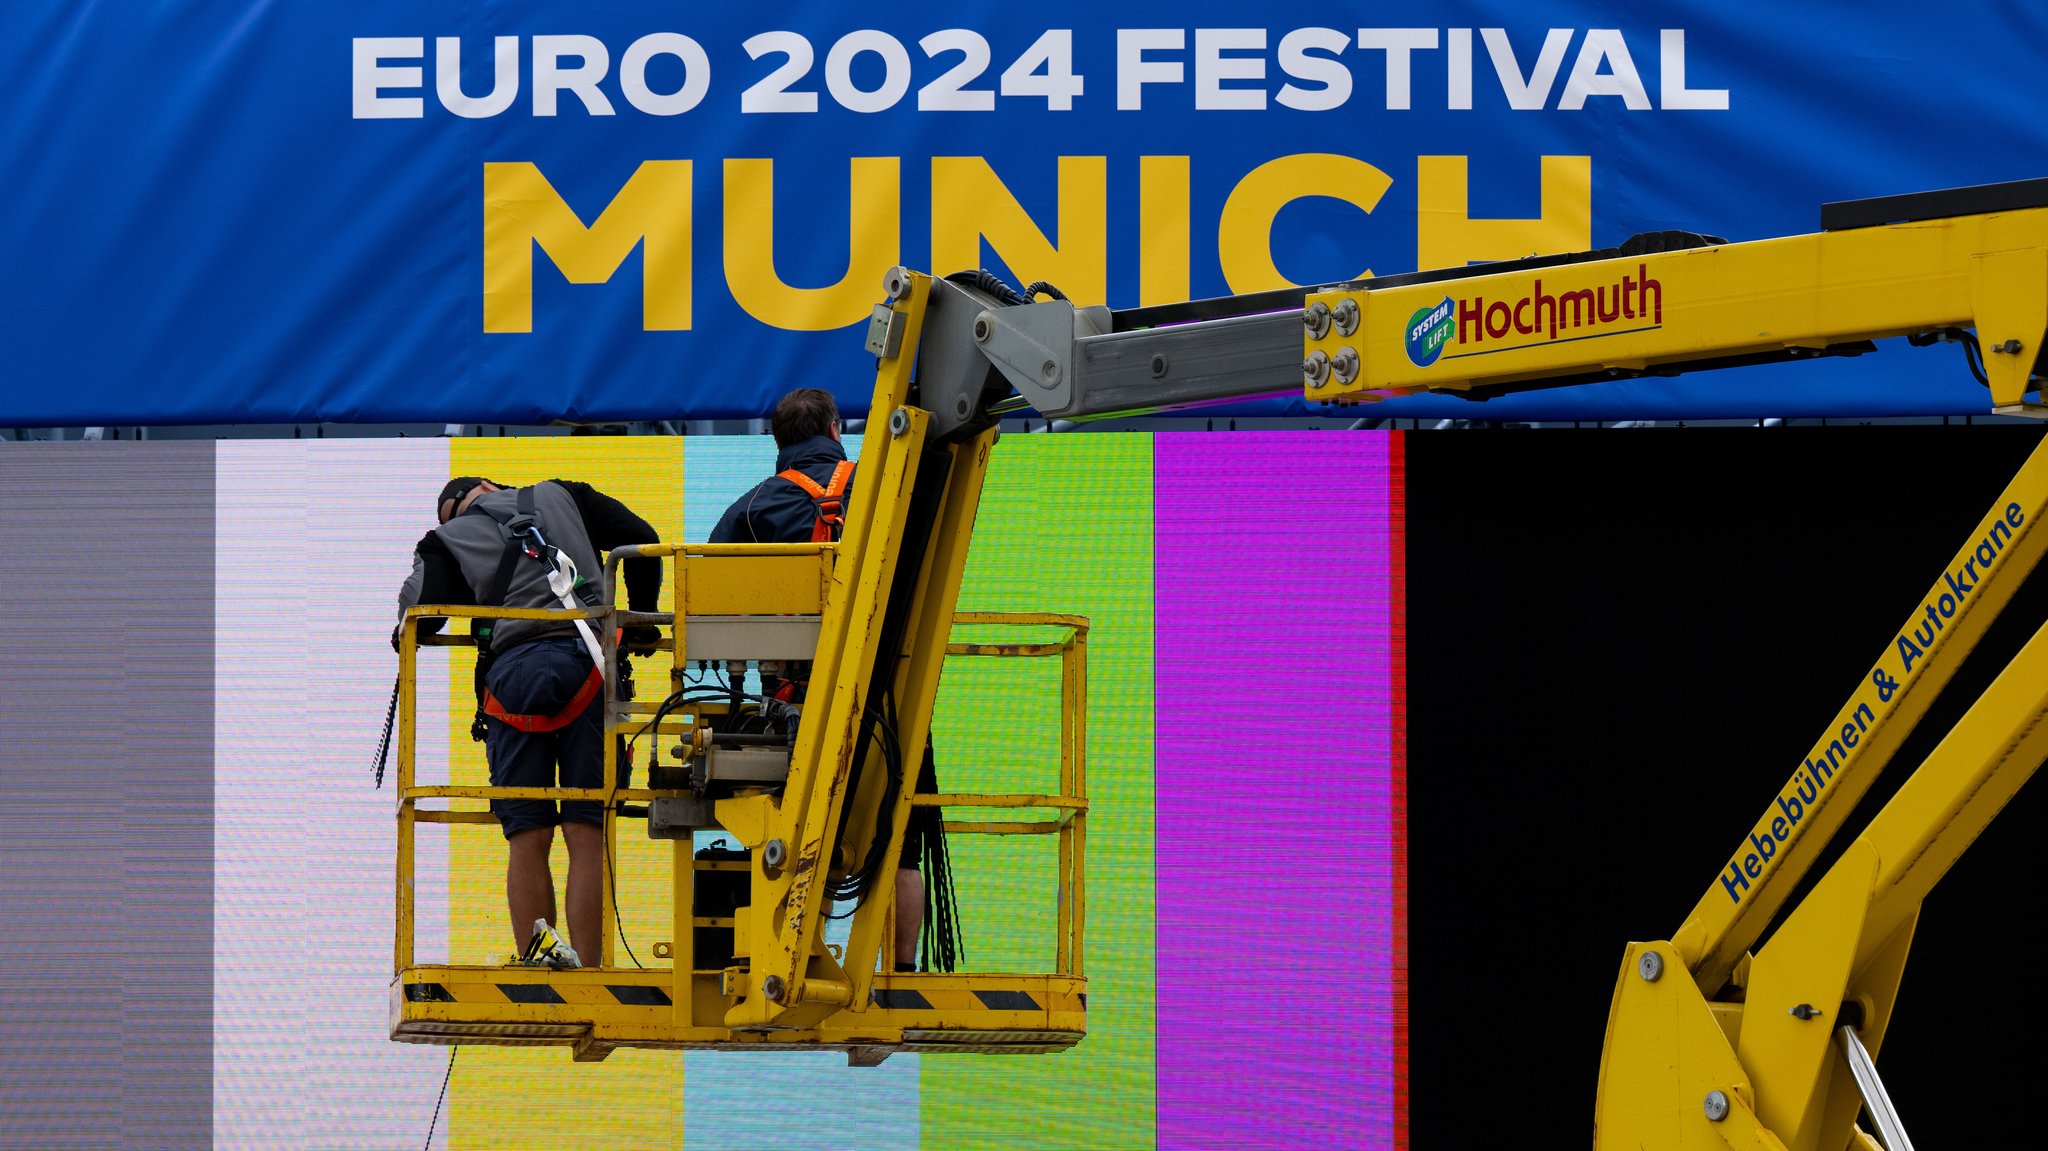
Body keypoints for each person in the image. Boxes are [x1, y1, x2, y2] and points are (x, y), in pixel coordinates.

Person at [710, 388, 944, 973]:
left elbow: (713, 597)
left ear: (778, 443)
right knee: (900, 840)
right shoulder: (879, 486)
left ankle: (793, 961)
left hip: (797, 704)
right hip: (892, 693)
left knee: (799, 830)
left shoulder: (751, 508)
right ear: (837, 428)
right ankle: (901, 972)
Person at [397, 476, 662, 968]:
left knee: (527, 834)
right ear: (491, 485)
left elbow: (420, 616)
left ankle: (541, 964)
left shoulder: (445, 540)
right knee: (587, 829)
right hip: (590, 669)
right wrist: (642, 620)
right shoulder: (567, 494)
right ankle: (592, 967)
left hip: (513, 678)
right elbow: (643, 542)